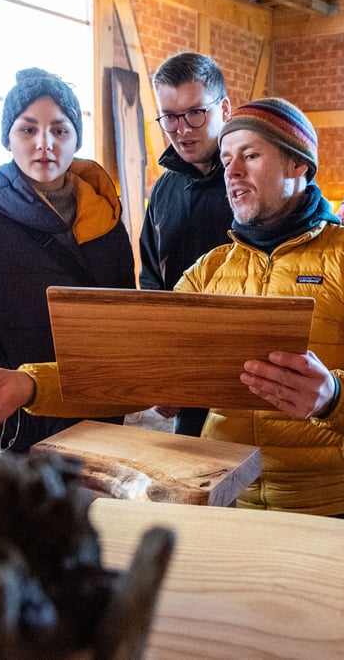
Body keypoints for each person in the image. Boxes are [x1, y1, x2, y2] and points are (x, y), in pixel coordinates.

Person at [0, 98, 344, 521]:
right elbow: (129, 372)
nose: (233, 172)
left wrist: (333, 397)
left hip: (334, 506)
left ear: (299, 164)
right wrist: (28, 382)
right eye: (227, 160)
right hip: (229, 499)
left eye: (251, 155)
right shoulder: (210, 270)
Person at [0, 68, 135, 455]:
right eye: (28, 130)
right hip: (16, 434)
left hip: (102, 424)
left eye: (60, 130)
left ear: (75, 138)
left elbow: (125, 326)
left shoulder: (106, 222)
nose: (45, 144)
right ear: (8, 138)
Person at [139, 52, 234, 437]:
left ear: (224, 108)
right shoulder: (162, 190)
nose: (182, 129)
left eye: (196, 113)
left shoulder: (253, 181)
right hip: (186, 372)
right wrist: (162, 366)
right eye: (170, 117)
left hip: (250, 370)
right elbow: (152, 283)